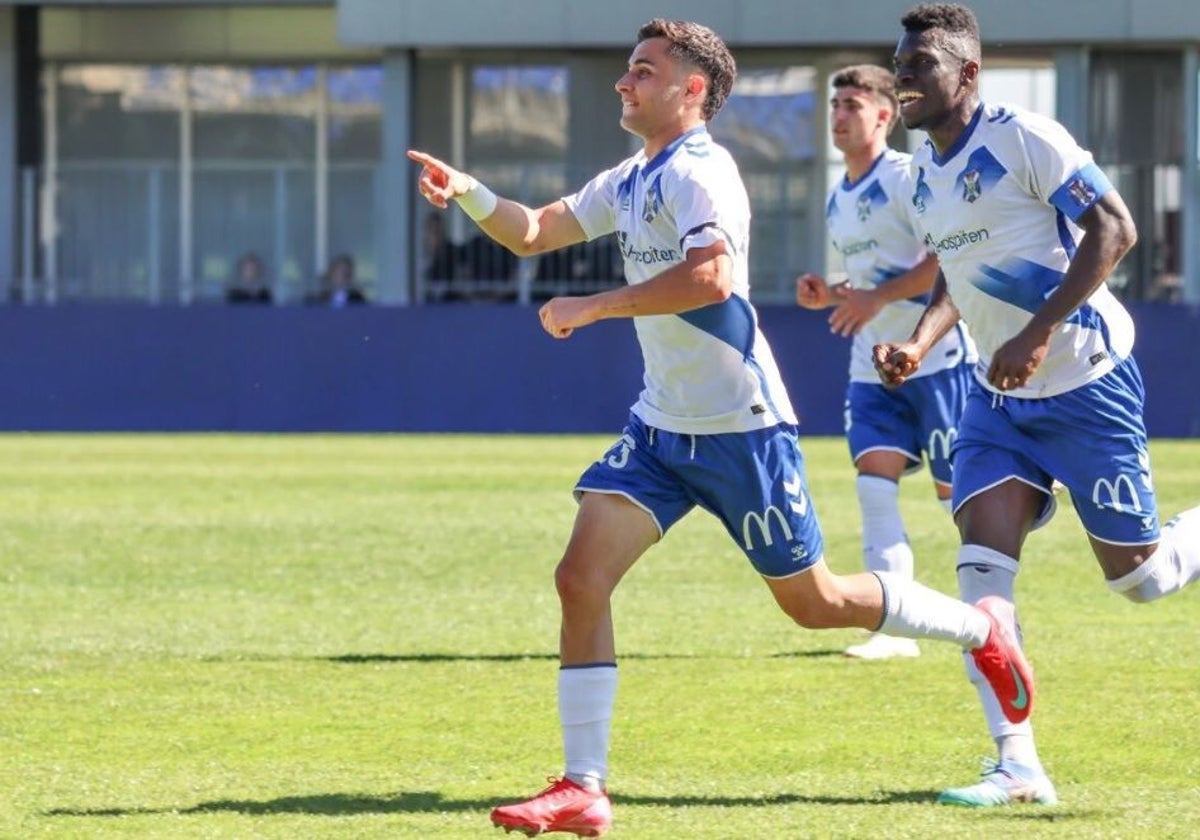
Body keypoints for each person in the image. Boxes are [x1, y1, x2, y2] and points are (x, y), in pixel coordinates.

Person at [410, 18, 1033, 837]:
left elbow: (710, 277)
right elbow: (532, 232)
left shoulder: (705, 172)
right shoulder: (632, 176)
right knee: (579, 578)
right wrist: (468, 193)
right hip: (663, 428)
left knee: (816, 604)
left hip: (742, 428)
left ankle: (976, 627)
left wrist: (593, 306)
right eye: (627, 70)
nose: (623, 84)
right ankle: (583, 787)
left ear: (691, 90)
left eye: (642, 71)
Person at [878, 2, 1200, 808]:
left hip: (1087, 382)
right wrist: (922, 343)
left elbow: (1114, 229)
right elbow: (959, 271)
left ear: (969, 74)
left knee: (1141, 581)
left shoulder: (1025, 135)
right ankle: (1018, 766)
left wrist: (1038, 330)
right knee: (982, 582)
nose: (904, 77)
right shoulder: (920, 174)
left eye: (920, 64)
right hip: (996, 399)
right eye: (900, 63)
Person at [797, 64, 976, 660]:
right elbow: (875, 279)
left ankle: (988, 614)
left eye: (852, 103)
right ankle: (895, 631)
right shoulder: (838, 198)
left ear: (884, 114)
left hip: (939, 357)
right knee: (874, 484)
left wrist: (875, 296)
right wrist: (836, 292)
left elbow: (944, 260)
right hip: (871, 362)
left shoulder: (905, 178)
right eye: (835, 104)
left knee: (961, 498)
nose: (840, 114)